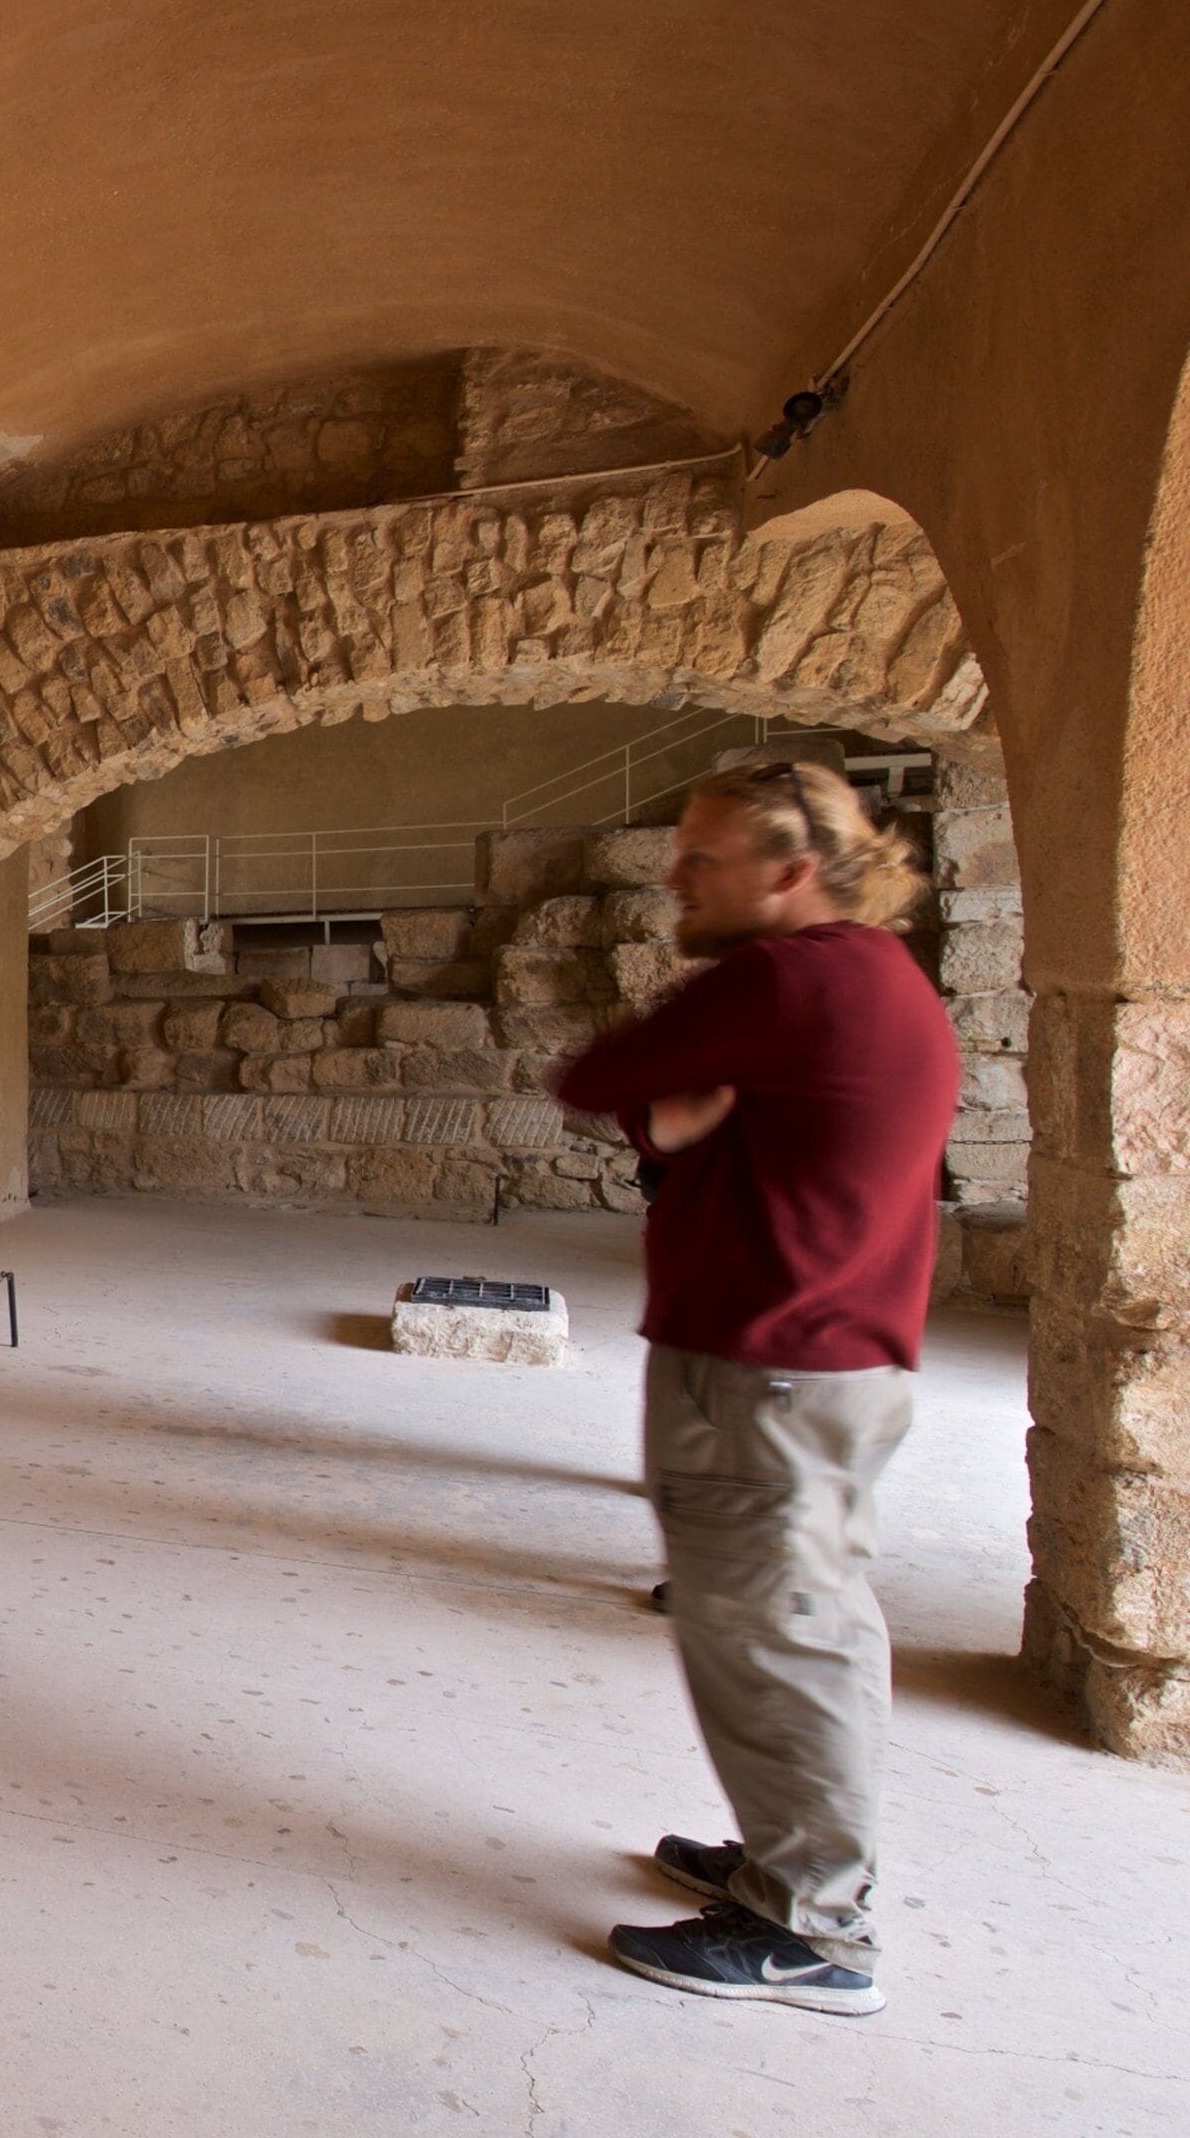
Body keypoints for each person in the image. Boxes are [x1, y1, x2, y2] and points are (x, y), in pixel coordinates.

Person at [551, 758, 956, 2017]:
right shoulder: (877, 976)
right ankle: (788, 1863)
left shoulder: (781, 979)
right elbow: (674, 1111)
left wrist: (672, 1118)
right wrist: (683, 1125)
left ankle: (816, 1927)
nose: (678, 879)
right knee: (784, 1622)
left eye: (702, 858)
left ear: (790, 872)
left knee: (785, 1633)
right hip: (817, 1359)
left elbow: (600, 1074)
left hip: (774, 1369)